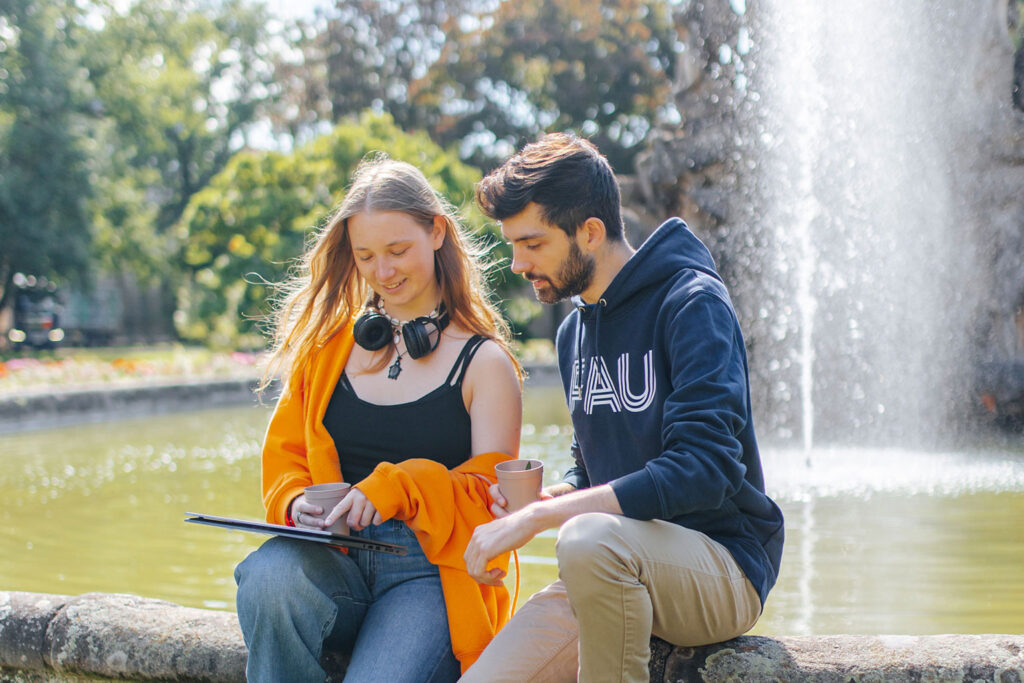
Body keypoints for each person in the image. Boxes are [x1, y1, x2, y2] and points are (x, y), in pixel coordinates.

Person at [461, 133, 785, 682]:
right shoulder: (573, 333)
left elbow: (706, 470)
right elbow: (593, 467)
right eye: (512, 244)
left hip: (722, 565)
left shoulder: (690, 303)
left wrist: (544, 518)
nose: (517, 263)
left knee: (585, 538)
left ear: (589, 232)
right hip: (609, 566)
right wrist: (549, 497)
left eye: (532, 243)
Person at [234, 155, 523, 683]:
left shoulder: (486, 364)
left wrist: (398, 486)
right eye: (365, 256)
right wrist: (298, 501)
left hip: (429, 573)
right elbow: (285, 458)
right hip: (333, 560)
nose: (383, 273)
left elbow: (492, 504)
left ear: (437, 231)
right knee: (268, 577)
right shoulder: (325, 351)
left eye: (397, 251)